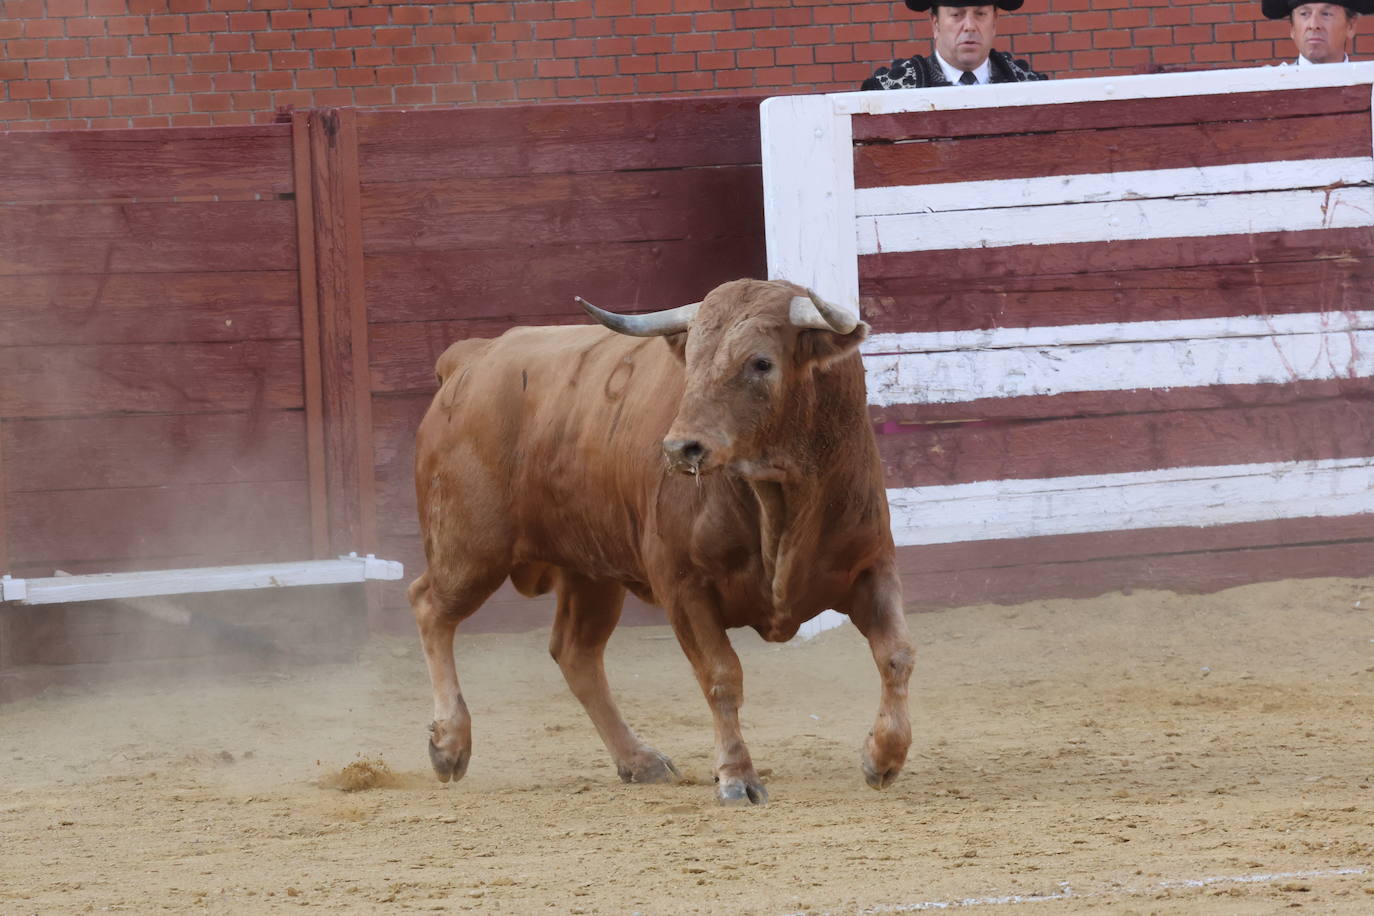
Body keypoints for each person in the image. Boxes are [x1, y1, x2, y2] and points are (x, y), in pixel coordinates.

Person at [861, 0, 1048, 90]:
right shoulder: (889, 91)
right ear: (935, 23)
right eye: (957, 15)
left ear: (994, 22)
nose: (969, 26)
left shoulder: (1031, 87)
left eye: (980, 14)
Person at [1264, 0, 1371, 64]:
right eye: (1304, 13)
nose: (1314, 25)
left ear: (1350, 26)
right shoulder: (1267, 89)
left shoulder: (1368, 88)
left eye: (1326, 14)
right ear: (1292, 27)